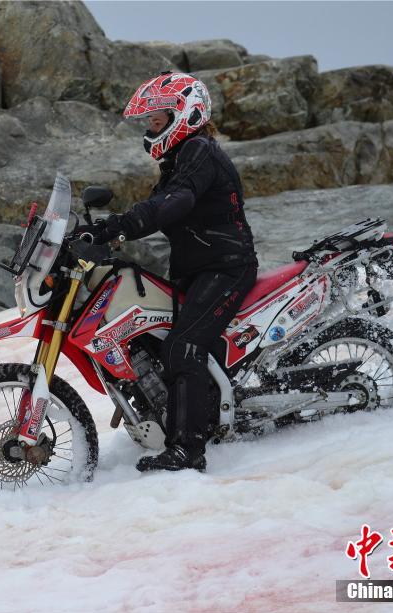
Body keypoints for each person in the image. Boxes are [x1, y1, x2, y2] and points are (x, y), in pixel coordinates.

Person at [78, 72, 258, 472]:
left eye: (157, 118)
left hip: (226, 267)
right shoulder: (180, 158)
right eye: (150, 119)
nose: (150, 126)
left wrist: (117, 227)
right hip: (198, 269)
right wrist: (104, 229)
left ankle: (188, 451)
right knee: (164, 345)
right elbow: (157, 207)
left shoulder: (199, 152)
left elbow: (171, 205)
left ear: (185, 114)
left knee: (184, 347)